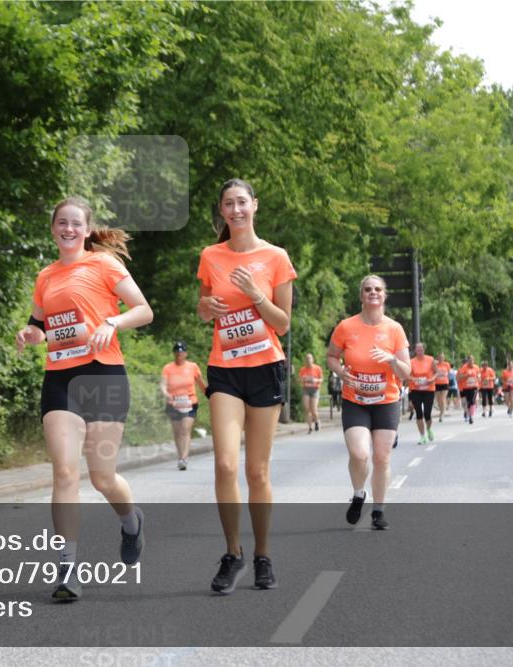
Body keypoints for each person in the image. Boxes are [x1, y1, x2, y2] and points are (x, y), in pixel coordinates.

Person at [15, 196, 153, 602]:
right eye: (62, 222)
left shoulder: (104, 265)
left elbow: (143, 310)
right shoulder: (45, 276)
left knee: (102, 477)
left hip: (104, 375)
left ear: (88, 230)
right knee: (63, 472)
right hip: (60, 378)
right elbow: (40, 324)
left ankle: (131, 522)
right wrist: (30, 335)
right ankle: (68, 567)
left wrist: (113, 321)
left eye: (76, 223)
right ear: (53, 227)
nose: (68, 228)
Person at [197, 178, 296, 594]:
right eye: (228, 204)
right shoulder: (210, 256)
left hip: (264, 369)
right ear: (222, 211)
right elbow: (203, 310)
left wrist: (256, 295)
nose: (236, 210)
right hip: (225, 369)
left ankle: (263, 555)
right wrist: (206, 307)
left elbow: (283, 323)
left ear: (254, 205)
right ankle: (233, 552)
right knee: (224, 464)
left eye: (242, 202)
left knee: (256, 470)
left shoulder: (275, 257)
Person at [326, 275, 411, 531]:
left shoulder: (394, 329)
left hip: (386, 401)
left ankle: (378, 511)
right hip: (355, 401)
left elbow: (406, 372)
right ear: (361, 296)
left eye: (377, 289)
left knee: (382, 458)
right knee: (360, 454)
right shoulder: (345, 327)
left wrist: (390, 359)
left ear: (384, 296)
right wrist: (340, 372)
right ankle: (359, 493)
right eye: (367, 290)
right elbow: (331, 356)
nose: (373, 293)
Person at [160, 341, 207, 470]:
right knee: (177, 432)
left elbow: (201, 383)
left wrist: (210, 394)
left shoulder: (192, 367)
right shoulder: (168, 368)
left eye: (181, 353)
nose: (178, 355)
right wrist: (166, 393)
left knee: (185, 429)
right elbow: (163, 384)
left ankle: (184, 459)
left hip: (189, 402)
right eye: (176, 353)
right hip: (173, 403)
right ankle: (180, 455)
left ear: (185, 353)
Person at [407, 342, 436, 444]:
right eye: (417, 349)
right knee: (419, 413)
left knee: (427, 413)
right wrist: (414, 379)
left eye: (421, 348)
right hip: (416, 390)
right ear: (415, 350)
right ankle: (422, 436)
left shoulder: (430, 360)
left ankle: (428, 429)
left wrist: (432, 379)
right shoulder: (411, 362)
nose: (419, 350)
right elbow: (408, 375)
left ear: (424, 349)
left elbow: (436, 373)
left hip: (429, 390)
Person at [298, 353, 324, 434]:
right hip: (306, 389)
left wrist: (315, 380)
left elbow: (321, 379)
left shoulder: (317, 368)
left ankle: (316, 422)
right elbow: (299, 379)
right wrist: (303, 379)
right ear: (305, 360)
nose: (308, 360)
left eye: (310, 358)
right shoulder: (303, 369)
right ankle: (310, 427)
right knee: (307, 409)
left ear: (312, 360)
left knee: (314, 410)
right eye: (307, 359)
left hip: (315, 389)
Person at [456, 354, 481, 425]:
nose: (471, 362)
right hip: (465, 387)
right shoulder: (463, 368)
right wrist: (466, 376)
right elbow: (459, 377)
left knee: (472, 401)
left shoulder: (476, 368)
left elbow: (479, 377)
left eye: (472, 360)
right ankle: (467, 413)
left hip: (474, 386)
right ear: (467, 361)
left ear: (474, 360)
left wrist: (477, 379)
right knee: (465, 403)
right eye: (469, 360)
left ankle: (471, 416)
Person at [434, 352, 451, 422]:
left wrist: (448, 380)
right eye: (439, 357)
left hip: (445, 383)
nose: (441, 358)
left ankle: (442, 414)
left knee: (442, 399)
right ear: (437, 358)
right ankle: (441, 410)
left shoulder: (447, 364)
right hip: (437, 383)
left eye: (442, 357)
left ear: (444, 358)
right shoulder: (435, 365)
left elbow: (449, 374)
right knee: (438, 400)